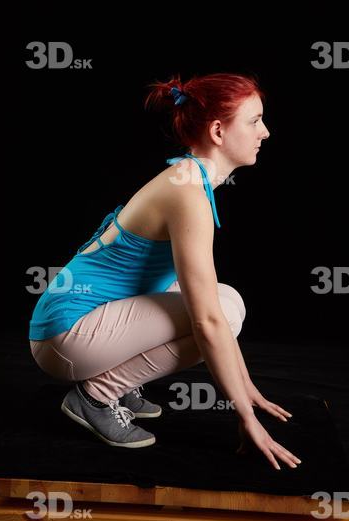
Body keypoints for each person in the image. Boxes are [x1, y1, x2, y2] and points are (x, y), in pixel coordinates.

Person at [29, 72, 301, 470]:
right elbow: (207, 321)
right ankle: (97, 396)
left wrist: (250, 390)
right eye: (255, 120)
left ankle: (115, 385)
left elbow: (196, 299)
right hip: (65, 338)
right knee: (218, 314)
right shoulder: (187, 194)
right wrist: (246, 417)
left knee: (229, 302)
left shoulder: (189, 178)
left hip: (83, 328)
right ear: (218, 131)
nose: (266, 132)